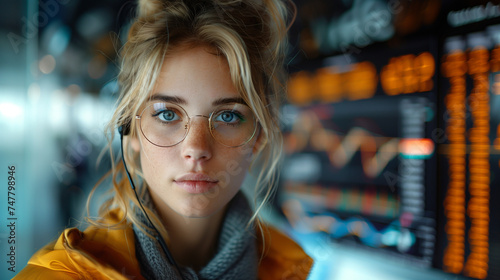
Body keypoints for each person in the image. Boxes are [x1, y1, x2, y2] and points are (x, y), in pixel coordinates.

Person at [14, 0, 313, 279]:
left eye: (228, 116)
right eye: (168, 114)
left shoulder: (290, 269)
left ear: (258, 136)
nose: (196, 149)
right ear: (129, 128)